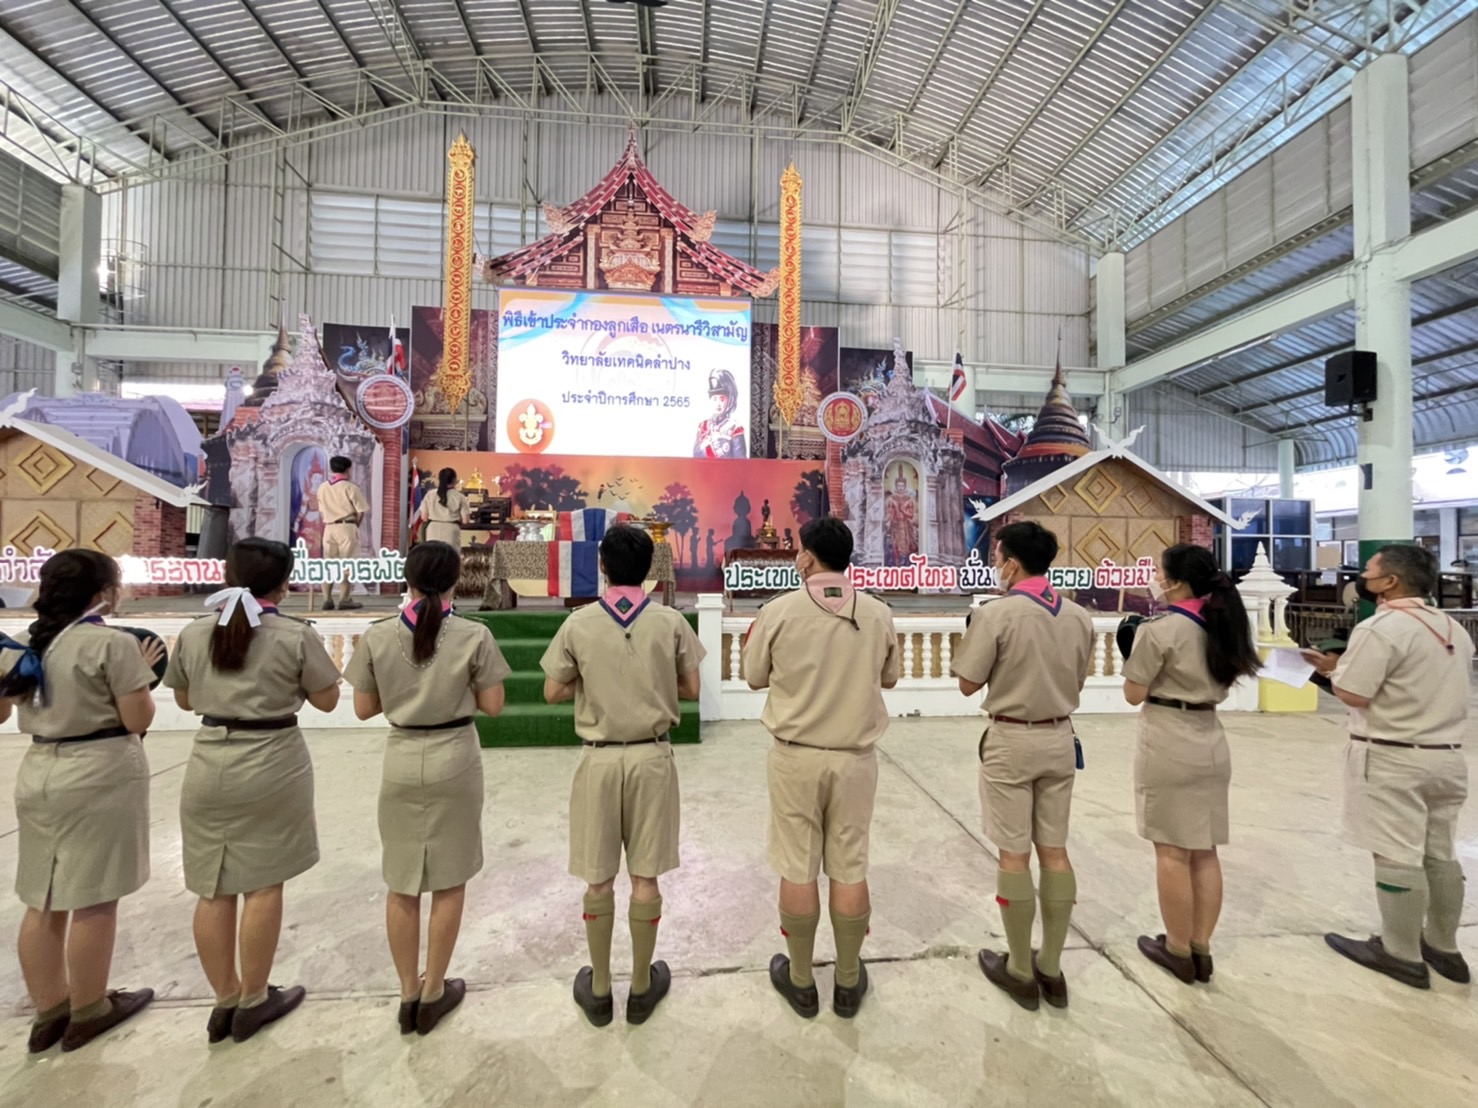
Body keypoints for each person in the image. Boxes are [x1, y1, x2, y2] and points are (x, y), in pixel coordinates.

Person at [162, 538, 343, 1043]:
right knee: (263, 883)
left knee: (213, 886)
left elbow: (184, 697)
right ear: (284, 584)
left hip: (209, 760)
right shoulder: (294, 634)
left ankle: (225, 998)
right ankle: (255, 998)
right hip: (271, 761)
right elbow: (328, 700)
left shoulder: (196, 631)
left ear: (227, 575)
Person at [0, 549, 164, 1053]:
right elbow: (137, 719)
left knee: (43, 896)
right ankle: (90, 1007)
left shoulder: (21, 642)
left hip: (39, 769)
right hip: (98, 772)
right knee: (94, 895)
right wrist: (141, 672)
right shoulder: (112, 644)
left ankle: (49, 1008)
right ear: (104, 593)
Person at [540, 525, 704, 1028]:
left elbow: (551, 691)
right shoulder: (670, 622)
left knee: (598, 877)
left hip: (600, 759)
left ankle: (598, 987)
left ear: (602, 567)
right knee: (645, 876)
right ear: (650, 569)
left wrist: (592, 681)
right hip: (652, 758)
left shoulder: (579, 623)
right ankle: (640, 987)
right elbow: (692, 688)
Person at [344, 541, 510, 1034]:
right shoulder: (473, 634)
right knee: (449, 879)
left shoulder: (379, 635)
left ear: (408, 579)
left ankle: (407, 992)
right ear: (458, 580)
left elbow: (363, 708)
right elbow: (494, 705)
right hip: (454, 755)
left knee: (402, 882)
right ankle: (434, 989)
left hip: (401, 756)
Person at [742, 517, 899, 1020]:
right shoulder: (876, 612)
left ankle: (801, 979)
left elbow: (753, 677)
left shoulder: (778, 611)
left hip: (796, 758)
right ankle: (848, 981)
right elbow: (890, 678)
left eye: (798, 551)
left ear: (807, 557)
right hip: (855, 760)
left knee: (797, 864)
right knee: (850, 866)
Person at [1306, 544, 1474, 989]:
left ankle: (1400, 952)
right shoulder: (1453, 628)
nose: (1362, 577)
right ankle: (1444, 947)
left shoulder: (1381, 628)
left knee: (1396, 853)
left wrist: (1332, 670)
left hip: (1393, 755)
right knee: (1439, 850)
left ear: (1390, 582)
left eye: (1368, 571)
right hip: (1446, 755)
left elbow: (1355, 693)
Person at [950, 521, 1094, 1011]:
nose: (995, 566)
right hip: (1060, 737)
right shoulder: (1078, 616)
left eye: (997, 558)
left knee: (1013, 854)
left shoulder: (997, 614)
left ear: (1011, 563)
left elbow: (968, 684)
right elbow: (1078, 678)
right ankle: (1051, 968)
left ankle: (1018, 968)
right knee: (1054, 850)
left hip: (1012, 739)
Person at [1119, 545, 1261, 985]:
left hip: (1169, 738)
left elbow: (1133, 693)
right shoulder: (1224, 623)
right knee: (1204, 849)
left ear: (1177, 582)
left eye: (1160, 573)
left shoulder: (1161, 630)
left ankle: (1177, 949)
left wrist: (1131, 651)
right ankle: (1201, 947)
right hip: (1211, 738)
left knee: (1171, 851)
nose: (1156, 579)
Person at [318, 455, 369, 611]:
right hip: (347, 526)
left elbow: (321, 510)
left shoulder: (323, 487)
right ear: (348, 469)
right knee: (347, 564)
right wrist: (354, 526)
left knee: (329, 564)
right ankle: (344, 599)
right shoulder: (351, 487)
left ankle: (327, 599)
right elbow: (361, 511)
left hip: (329, 528)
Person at [693, 369, 747, 458]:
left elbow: (740, 461)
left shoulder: (735, 428)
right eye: (714, 399)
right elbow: (695, 457)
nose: (718, 404)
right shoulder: (703, 426)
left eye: (722, 399)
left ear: (728, 400)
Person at [419, 468, 470, 548]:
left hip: (433, 529)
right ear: (454, 480)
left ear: (439, 479)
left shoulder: (430, 495)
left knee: (433, 553)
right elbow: (465, 520)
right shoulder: (460, 497)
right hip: (451, 530)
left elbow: (424, 517)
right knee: (450, 554)